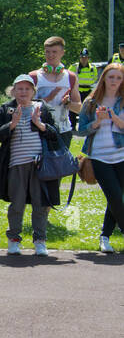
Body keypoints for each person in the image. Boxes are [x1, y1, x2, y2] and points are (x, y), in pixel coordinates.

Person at [0, 74, 61, 257]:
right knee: (17, 204)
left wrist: (40, 124)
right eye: (19, 88)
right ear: (13, 91)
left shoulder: (42, 107)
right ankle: (14, 240)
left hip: (40, 165)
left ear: (33, 91)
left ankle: (40, 241)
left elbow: (55, 134)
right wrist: (12, 124)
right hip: (15, 165)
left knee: (40, 205)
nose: (23, 92)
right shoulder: (7, 108)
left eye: (27, 89)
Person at [77, 62, 124, 252]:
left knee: (117, 198)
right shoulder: (90, 102)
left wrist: (115, 118)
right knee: (113, 195)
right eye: (111, 77)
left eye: (118, 78)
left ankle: (105, 236)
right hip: (99, 157)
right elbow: (81, 131)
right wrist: (97, 122)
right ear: (103, 77)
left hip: (121, 156)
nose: (114, 81)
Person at [31, 36, 80, 152]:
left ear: (62, 53)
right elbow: (25, 105)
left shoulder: (71, 77)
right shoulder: (34, 76)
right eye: (47, 52)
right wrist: (47, 99)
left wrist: (68, 103)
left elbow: (78, 108)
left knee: (60, 167)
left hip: (63, 130)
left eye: (54, 52)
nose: (50, 55)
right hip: (40, 128)